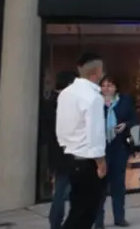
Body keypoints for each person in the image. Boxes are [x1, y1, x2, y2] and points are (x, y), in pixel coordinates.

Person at [56, 53, 108, 229]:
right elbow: (95, 133)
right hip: (87, 160)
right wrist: (101, 162)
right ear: (96, 71)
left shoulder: (66, 93)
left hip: (70, 155)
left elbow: (61, 128)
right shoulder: (93, 97)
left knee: (77, 207)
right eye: (101, 70)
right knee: (86, 212)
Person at [96, 76, 137, 229]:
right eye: (104, 85)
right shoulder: (95, 102)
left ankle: (119, 217)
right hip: (101, 147)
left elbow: (134, 118)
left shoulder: (124, 101)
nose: (106, 88)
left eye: (110, 85)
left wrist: (125, 125)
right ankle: (98, 221)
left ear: (116, 87)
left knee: (118, 184)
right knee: (100, 185)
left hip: (119, 146)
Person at [45, 71, 77, 229]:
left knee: (61, 188)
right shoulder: (64, 104)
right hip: (67, 153)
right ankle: (57, 221)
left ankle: (56, 221)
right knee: (63, 190)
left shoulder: (50, 102)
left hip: (56, 153)